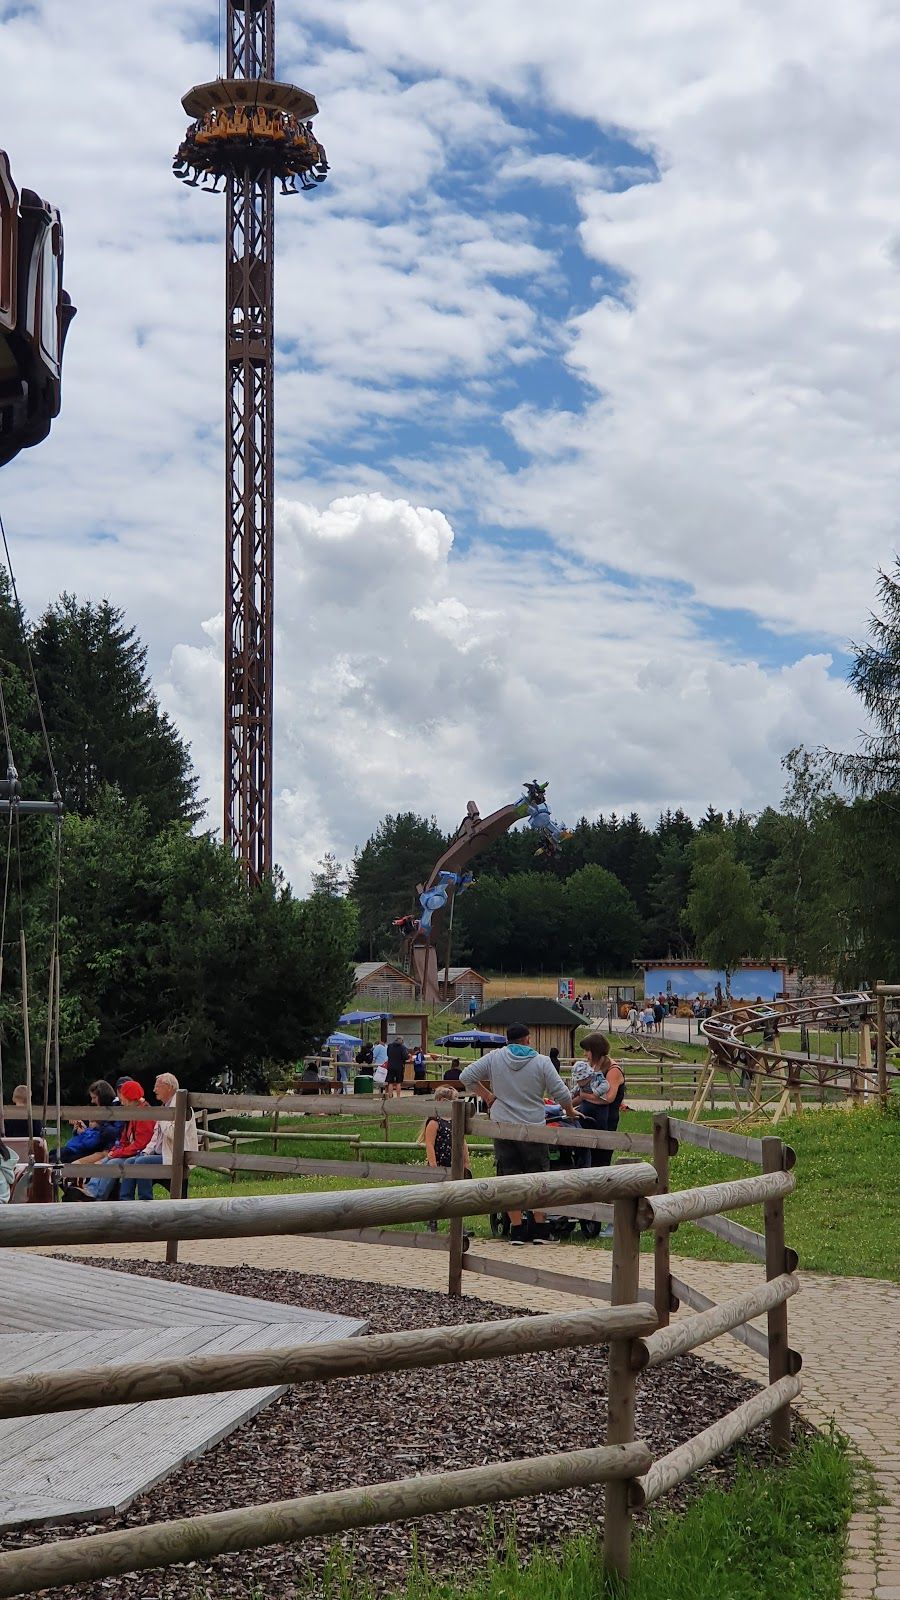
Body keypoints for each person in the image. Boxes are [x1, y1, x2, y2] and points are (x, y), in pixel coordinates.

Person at [459, 1023, 578, 1246]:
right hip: (533, 1126)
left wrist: (487, 1096)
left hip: (503, 1125)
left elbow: (467, 1076)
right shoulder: (541, 1062)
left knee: (509, 1175)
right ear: (527, 1040)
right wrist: (569, 1110)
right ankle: (540, 1228)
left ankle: (517, 1229)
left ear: (508, 1040)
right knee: (538, 1176)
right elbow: (561, 1092)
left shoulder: (495, 1058)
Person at [118, 1073, 199, 1201]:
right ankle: (124, 1202)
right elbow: (155, 1137)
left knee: (141, 1163)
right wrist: (145, 1152)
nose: (154, 1090)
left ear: (168, 1087)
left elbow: (174, 1133)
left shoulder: (181, 1106)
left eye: (157, 1086)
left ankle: (146, 1203)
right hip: (160, 1154)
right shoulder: (164, 1107)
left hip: (175, 1157)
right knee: (130, 1162)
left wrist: (161, 1118)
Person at [71, 1080, 154, 1200]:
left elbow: (140, 1144)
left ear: (129, 1097)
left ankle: (97, 1197)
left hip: (139, 1154)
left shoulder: (143, 1115)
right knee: (105, 1161)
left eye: (123, 1096)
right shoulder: (132, 1112)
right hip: (129, 1152)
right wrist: (115, 1150)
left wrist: (118, 1153)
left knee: (111, 1163)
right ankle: (91, 1190)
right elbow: (124, 1139)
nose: (121, 1100)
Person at [419, 1084, 471, 1230]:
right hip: (439, 1162)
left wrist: (466, 1160)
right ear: (442, 1101)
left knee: (456, 1194)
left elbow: (462, 1142)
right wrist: (433, 1165)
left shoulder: (456, 1122)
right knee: (436, 1195)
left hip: (453, 1162)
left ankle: (457, 1225)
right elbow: (429, 1144)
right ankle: (432, 1222)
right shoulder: (434, 1122)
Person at [575, 1033, 626, 1171]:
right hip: (589, 1119)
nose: (585, 1054)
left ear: (595, 1050)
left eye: (587, 1050)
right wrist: (565, 1104)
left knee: (600, 1162)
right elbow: (582, 1092)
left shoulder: (613, 1070)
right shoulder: (593, 1066)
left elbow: (608, 1098)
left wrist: (584, 1096)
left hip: (605, 1122)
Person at [54, 1080, 119, 1163]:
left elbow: (97, 1139)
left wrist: (85, 1131)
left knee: (62, 1159)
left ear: (103, 1097)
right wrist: (79, 1127)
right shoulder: (102, 1114)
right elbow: (89, 1132)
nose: (92, 1101)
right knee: (54, 1155)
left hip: (103, 1150)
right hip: (80, 1148)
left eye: (94, 1098)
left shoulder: (115, 1110)